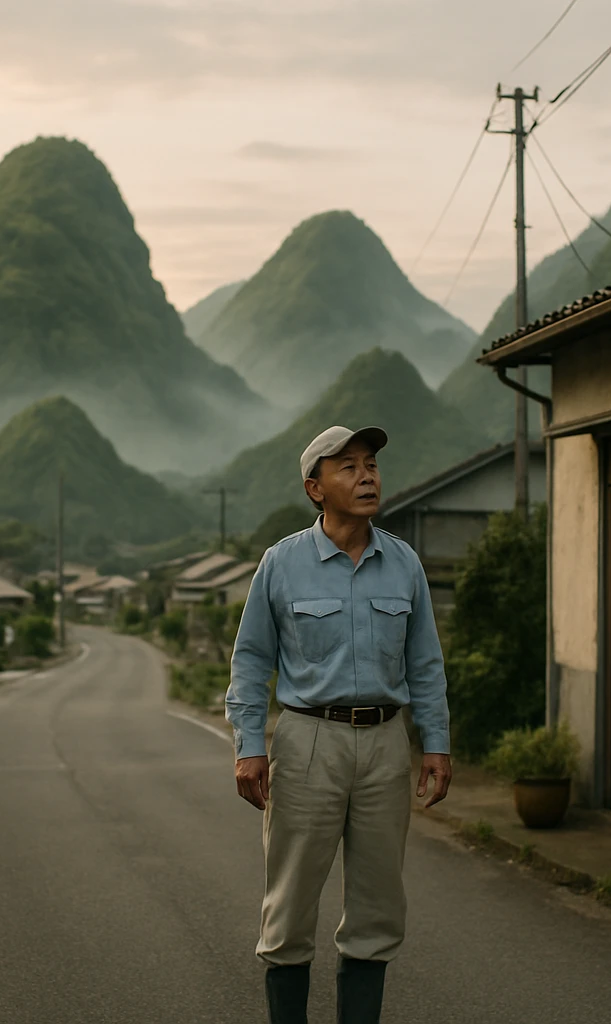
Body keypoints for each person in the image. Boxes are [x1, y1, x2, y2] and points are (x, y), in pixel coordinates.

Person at [226, 424, 452, 1024]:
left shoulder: (403, 563)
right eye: (347, 466)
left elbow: (425, 662)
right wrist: (250, 747)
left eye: (371, 462)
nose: (367, 475)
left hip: (385, 743)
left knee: (378, 910)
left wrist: (436, 743)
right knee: (292, 905)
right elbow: (250, 661)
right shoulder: (282, 564)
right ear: (315, 488)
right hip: (306, 742)